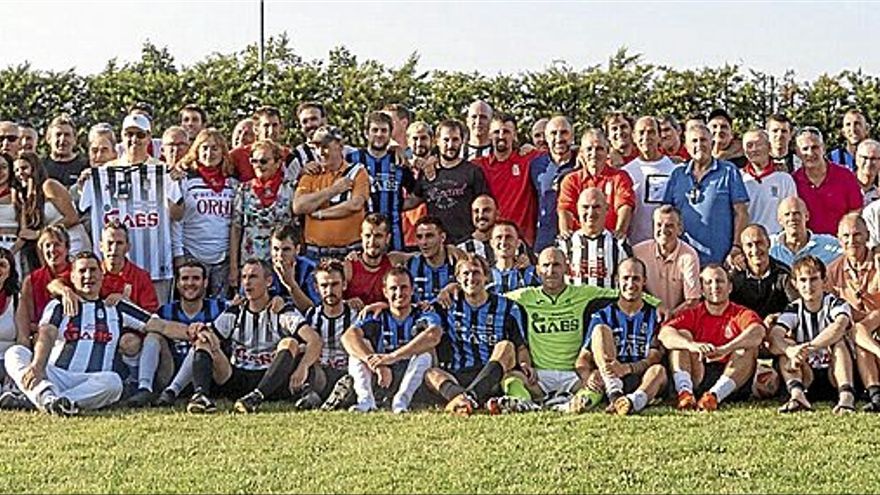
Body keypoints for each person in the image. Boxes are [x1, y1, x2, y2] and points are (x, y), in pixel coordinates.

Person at [3, 252, 192, 415]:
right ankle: (48, 397)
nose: (88, 276)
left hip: (92, 380)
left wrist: (193, 331)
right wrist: (37, 366)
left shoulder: (116, 307)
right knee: (15, 353)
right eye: (82, 271)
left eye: (93, 270)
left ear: (102, 275)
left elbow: (160, 326)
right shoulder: (59, 305)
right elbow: (47, 334)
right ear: (73, 277)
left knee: (114, 382)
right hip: (56, 374)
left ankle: (49, 400)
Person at [502, 247, 660, 413]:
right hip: (539, 375)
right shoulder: (525, 297)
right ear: (538, 269)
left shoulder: (583, 293)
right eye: (546, 265)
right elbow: (494, 298)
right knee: (510, 380)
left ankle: (570, 406)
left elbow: (620, 293)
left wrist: (659, 304)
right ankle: (527, 405)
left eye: (556, 265)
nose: (551, 271)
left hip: (573, 375)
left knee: (596, 385)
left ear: (567, 268)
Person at [186, 258, 322, 414]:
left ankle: (257, 397)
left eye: (253, 277)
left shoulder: (282, 310)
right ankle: (200, 396)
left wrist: (302, 367)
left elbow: (314, 340)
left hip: (271, 378)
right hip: (237, 377)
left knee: (290, 343)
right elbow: (212, 338)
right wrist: (203, 333)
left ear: (268, 281)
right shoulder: (235, 311)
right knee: (204, 340)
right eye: (244, 277)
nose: (247, 282)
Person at [78, 114, 183, 302]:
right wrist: (86, 182)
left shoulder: (162, 171)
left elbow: (177, 215)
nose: (134, 139)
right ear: (122, 136)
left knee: (155, 319)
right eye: (129, 134)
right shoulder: (103, 173)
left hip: (156, 266)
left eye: (140, 135)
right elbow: (83, 212)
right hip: (112, 271)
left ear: (149, 137)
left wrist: (171, 185)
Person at [235, 260, 358, 413]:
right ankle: (314, 396)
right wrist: (303, 363)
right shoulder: (312, 315)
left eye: (335, 285)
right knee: (297, 356)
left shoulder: (356, 315)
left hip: (346, 371)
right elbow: (302, 345)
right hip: (318, 373)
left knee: (350, 376)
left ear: (344, 285)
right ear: (316, 288)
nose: (329, 290)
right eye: (324, 286)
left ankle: (328, 396)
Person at [424, 254, 526, 415]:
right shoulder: (446, 304)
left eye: (476, 272)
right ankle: (466, 399)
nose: (471, 278)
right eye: (466, 273)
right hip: (459, 374)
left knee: (505, 346)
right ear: (457, 278)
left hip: (493, 374)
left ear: (486, 276)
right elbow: (419, 315)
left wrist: (526, 365)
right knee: (431, 374)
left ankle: (468, 399)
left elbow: (520, 346)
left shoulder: (507, 307)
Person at [659, 264, 766, 411]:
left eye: (720, 281)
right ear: (702, 290)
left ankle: (714, 396)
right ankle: (685, 393)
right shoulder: (692, 313)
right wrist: (691, 345)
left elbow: (758, 332)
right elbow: (664, 334)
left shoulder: (741, 313)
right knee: (681, 336)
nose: (715, 286)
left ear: (730, 287)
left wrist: (726, 349)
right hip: (699, 371)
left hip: (731, 374)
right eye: (709, 282)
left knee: (747, 348)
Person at [341, 267, 442, 412]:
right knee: (356, 355)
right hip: (383, 377)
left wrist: (392, 357)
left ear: (412, 290)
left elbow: (434, 335)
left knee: (425, 354)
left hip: (412, 376)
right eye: (393, 288)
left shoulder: (423, 314)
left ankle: (401, 402)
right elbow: (348, 337)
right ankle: (366, 401)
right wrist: (375, 363)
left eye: (404, 287)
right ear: (385, 292)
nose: (399, 293)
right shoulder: (377, 315)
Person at [577, 258, 666, 415]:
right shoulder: (603, 314)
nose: (630, 284)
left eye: (636, 278)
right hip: (611, 376)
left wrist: (627, 368)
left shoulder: (654, 315)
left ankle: (632, 402)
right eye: (626, 278)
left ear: (644, 281)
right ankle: (615, 394)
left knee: (658, 371)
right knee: (600, 330)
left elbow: (654, 357)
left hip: (640, 376)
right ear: (617, 280)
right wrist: (587, 376)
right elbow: (583, 358)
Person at [767, 255, 855, 413]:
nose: (809, 286)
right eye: (803, 280)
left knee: (839, 343)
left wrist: (808, 348)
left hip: (834, 373)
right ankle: (797, 396)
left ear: (824, 281)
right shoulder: (794, 308)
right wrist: (790, 350)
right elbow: (775, 335)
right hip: (807, 374)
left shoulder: (836, 303)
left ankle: (846, 398)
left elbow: (839, 326)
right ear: (794, 284)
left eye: (814, 279)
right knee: (786, 348)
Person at [663, 123, 749, 265]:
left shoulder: (728, 171)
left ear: (711, 143)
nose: (699, 145)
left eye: (703, 140)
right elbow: (666, 214)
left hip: (720, 260)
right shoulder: (677, 175)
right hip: (683, 260)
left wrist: (737, 247)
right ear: (686, 146)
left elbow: (741, 213)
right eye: (694, 141)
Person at [153, 259, 228, 407]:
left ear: (205, 282)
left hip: (209, 378)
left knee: (203, 339)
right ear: (178, 283)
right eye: (185, 278)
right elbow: (147, 324)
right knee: (153, 337)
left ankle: (174, 392)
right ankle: (144, 388)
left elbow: (244, 305)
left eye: (196, 278)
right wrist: (183, 331)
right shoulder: (165, 311)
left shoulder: (220, 308)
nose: (190, 283)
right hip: (170, 371)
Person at [175, 128, 238, 297]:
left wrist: (233, 264)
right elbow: (177, 221)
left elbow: (235, 224)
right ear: (196, 151)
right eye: (204, 147)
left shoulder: (232, 183)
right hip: (192, 254)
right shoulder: (185, 180)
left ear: (223, 152)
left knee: (219, 309)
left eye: (215, 148)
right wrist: (179, 255)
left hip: (222, 258)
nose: (209, 153)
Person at [294, 125, 369, 259]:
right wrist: (334, 190)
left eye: (325, 146)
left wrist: (319, 213)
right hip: (315, 252)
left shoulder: (357, 172)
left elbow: (355, 205)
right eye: (316, 147)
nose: (320, 152)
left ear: (340, 146)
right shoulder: (311, 174)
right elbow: (299, 207)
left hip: (349, 251)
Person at [347, 111, 418, 252]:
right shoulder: (352, 159)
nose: (379, 134)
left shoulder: (399, 161)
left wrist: (396, 205)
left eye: (384, 130)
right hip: (358, 239)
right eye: (375, 130)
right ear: (366, 133)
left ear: (390, 134)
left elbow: (416, 194)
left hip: (394, 239)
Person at [230, 139, 296, 286]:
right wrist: (233, 266)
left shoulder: (290, 188)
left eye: (264, 161)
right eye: (254, 161)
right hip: (251, 262)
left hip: (281, 262)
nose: (258, 165)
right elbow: (236, 228)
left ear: (278, 163)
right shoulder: (244, 190)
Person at [412, 119, 489, 244]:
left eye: (455, 140)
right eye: (446, 140)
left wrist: (482, 230)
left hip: (467, 242)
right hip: (436, 245)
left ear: (462, 141)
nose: (450, 145)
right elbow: (412, 200)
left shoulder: (473, 171)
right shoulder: (427, 171)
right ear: (437, 141)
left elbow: (486, 204)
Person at [12, 151, 89, 272]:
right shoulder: (27, 196)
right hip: (52, 248)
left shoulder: (49, 185)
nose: (19, 173)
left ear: (35, 168)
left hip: (72, 240)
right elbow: (25, 232)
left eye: (24, 168)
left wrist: (40, 233)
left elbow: (72, 217)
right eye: (16, 170)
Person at [473, 113, 540, 246]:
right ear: (490, 135)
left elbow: (560, 154)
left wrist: (577, 152)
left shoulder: (528, 159)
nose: (501, 136)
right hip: (490, 242)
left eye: (507, 132)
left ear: (514, 135)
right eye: (497, 132)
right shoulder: (478, 165)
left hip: (522, 243)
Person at [558, 128, 635, 240]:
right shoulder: (571, 180)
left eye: (599, 149)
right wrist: (566, 235)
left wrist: (620, 232)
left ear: (607, 151)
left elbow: (625, 206)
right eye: (589, 149)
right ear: (581, 153)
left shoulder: (620, 178)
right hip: (579, 242)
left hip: (610, 240)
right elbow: (565, 209)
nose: (594, 154)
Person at [792, 127, 862, 235]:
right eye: (805, 149)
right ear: (797, 152)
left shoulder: (845, 176)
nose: (810, 153)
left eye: (815, 147)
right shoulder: (793, 181)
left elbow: (856, 210)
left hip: (840, 244)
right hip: (808, 246)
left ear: (823, 148)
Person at [632, 205, 701, 313]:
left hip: (679, 317)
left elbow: (692, 300)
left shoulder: (689, 256)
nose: (663, 230)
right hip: (646, 315)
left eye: (669, 226)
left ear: (680, 229)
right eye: (659, 225)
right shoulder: (638, 252)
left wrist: (670, 316)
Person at [558, 188, 631, 288]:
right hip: (574, 303)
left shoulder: (620, 244)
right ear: (577, 209)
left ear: (607, 209)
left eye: (596, 207)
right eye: (585, 207)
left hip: (607, 302)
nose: (591, 213)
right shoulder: (564, 244)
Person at [622, 116, 680, 244]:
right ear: (634, 137)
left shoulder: (675, 169)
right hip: (635, 245)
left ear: (659, 136)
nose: (646, 137)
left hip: (667, 245)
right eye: (641, 132)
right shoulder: (626, 172)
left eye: (651, 132)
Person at [15, 226, 71, 340]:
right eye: (47, 245)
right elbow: (29, 321)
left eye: (57, 244)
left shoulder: (78, 274)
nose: (52, 250)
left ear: (67, 248)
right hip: (41, 336)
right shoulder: (31, 280)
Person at [531, 116, 577, 251]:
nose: (558, 138)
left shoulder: (582, 162)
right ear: (546, 137)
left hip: (575, 238)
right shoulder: (536, 165)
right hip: (545, 238)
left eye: (564, 132)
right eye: (553, 133)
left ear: (572, 136)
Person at [343, 214, 409, 309]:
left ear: (387, 238)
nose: (372, 241)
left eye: (378, 236)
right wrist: (347, 302)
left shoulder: (393, 261)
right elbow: (332, 298)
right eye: (367, 236)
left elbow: (424, 255)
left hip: (385, 320)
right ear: (361, 237)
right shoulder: (350, 265)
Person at [729, 224, 795, 320]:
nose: (755, 250)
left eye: (759, 243)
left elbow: (795, 306)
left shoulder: (783, 274)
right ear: (743, 249)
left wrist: (779, 317)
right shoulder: (735, 276)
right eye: (749, 245)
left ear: (768, 243)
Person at [740, 130, 797, 234]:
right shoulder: (738, 178)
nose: (754, 149)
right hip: (748, 244)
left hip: (776, 244)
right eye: (749, 145)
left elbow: (791, 213)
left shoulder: (784, 179)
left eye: (759, 144)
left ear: (769, 147)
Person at [770, 196, 842, 267]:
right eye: (787, 214)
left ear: (807, 216)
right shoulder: (770, 245)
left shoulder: (829, 244)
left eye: (796, 213)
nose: (792, 218)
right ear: (780, 220)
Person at [229, 106, 293, 182]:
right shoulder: (238, 155)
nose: (271, 131)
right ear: (256, 129)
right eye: (266, 126)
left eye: (275, 125)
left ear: (281, 127)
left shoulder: (288, 155)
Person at [407, 216, 459, 302]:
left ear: (442, 237)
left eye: (429, 236)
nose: (424, 242)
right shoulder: (410, 265)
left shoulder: (457, 262)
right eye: (419, 237)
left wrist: (458, 287)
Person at [268, 225, 319, 312]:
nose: (280, 255)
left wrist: (291, 284)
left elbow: (313, 310)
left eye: (286, 249)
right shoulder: (262, 269)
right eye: (276, 249)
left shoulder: (310, 269)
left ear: (297, 249)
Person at [486, 220, 539, 294]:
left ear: (518, 243)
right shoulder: (485, 275)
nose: (503, 242)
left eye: (509, 237)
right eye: (499, 237)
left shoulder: (532, 274)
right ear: (491, 243)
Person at [43, 115, 88, 188]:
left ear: (75, 139)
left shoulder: (85, 165)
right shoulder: (40, 166)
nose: (62, 139)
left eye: (67, 135)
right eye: (58, 135)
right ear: (48, 138)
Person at [0, 248, 19, 391]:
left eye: (2, 265)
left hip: (8, 363)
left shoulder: (18, 300)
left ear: (10, 271)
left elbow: (22, 339)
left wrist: (12, 370)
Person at [855, 139, 880, 205]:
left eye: (873, 159)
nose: (868, 163)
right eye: (865, 158)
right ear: (857, 158)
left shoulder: (878, 190)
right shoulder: (844, 185)